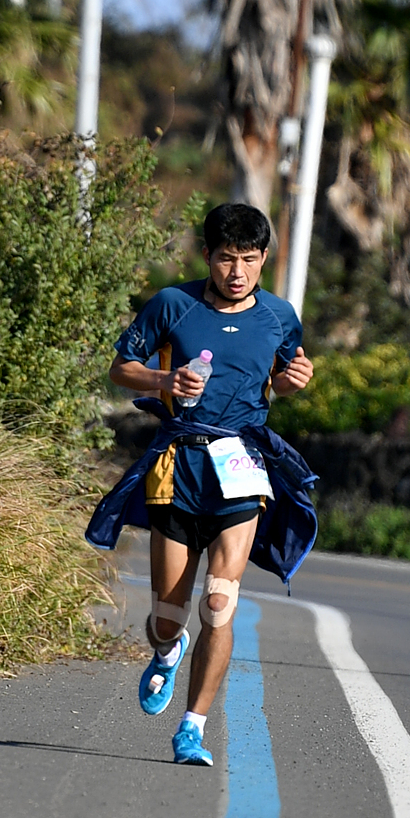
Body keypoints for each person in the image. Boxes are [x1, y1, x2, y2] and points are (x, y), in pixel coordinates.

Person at [85, 201, 319, 767]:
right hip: (179, 463)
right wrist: (165, 378)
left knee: (219, 601)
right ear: (208, 256)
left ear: (265, 258)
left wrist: (295, 381)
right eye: (226, 259)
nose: (237, 272)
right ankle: (168, 652)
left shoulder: (280, 316)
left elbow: (284, 377)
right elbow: (121, 368)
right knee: (168, 617)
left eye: (249, 259)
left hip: (242, 462)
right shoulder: (174, 304)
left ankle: (193, 727)